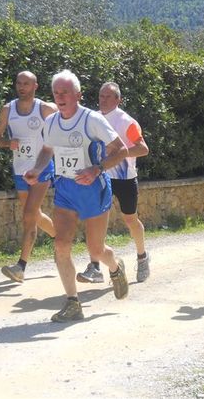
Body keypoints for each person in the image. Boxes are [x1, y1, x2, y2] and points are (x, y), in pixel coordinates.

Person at [24, 70, 129, 322]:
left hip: (94, 189)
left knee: (96, 250)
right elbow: (47, 150)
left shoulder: (91, 120)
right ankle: (73, 302)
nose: (60, 97)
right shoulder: (50, 122)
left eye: (65, 92)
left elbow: (121, 151)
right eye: (56, 93)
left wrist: (97, 168)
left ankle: (115, 267)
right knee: (61, 244)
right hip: (66, 190)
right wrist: (37, 170)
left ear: (78, 95)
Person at [76, 82, 150, 284]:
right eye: (101, 96)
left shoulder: (127, 121)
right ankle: (95, 267)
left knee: (130, 220)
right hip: (101, 177)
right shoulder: (93, 118)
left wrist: (120, 152)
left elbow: (143, 149)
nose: (103, 100)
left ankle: (142, 257)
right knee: (94, 220)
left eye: (108, 96)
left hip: (125, 178)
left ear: (118, 100)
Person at [0, 71, 57, 282]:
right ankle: (61, 238)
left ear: (35, 86)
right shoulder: (8, 110)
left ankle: (20, 266)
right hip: (20, 169)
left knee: (29, 214)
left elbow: (62, 128)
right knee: (34, 214)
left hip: (42, 169)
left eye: (26, 83)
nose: (21, 87)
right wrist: (6, 143)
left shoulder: (45, 109)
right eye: (19, 83)